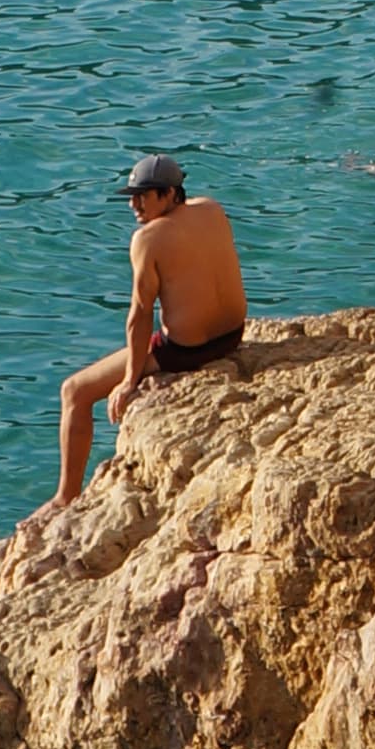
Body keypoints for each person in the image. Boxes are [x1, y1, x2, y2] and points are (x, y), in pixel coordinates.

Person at [52, 154, 246, 509]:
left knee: (74, 391)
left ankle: (66, 496)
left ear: (171, 194)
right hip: (233, 335)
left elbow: (139, 315)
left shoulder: (149, 238)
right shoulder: (212, 209)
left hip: (187, 351)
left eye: (144, 195)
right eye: (131, 195)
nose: (134, 204)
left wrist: (129, 382)